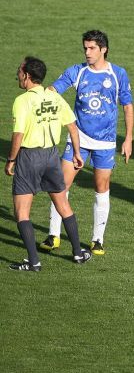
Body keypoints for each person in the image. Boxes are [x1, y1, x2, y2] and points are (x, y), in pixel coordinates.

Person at [41, 30, 133, 256]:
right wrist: (45, 95)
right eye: (85, 48)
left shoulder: (118, 74)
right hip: (78, 139)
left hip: (106, 142)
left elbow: (127, 106)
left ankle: (97, 239)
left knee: (101, 188)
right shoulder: (78, 71)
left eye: (92, 48)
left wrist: (128, 138)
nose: (87, 52)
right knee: (61, 185)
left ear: (104, 49)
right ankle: (53, 235)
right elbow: (53, 90)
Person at [6, 57, 92, 271]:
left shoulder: (22, 101)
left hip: (29, 157)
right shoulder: (54, 97)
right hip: (52, 156)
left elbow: (18, 135)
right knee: (63, 205)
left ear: (27, 76)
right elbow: (72, 127)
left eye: (19, 71)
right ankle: (78, 253)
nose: (17, 75)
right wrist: (77, 153)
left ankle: (34, 261)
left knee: (22, 213)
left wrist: (11, 160)